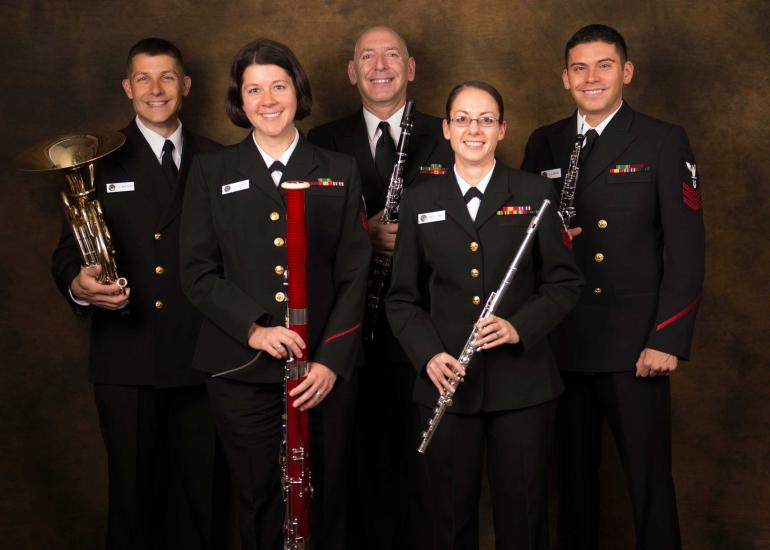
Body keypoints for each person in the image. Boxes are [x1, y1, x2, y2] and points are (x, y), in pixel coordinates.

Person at [179, 38, 371, 549]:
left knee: (326, 497)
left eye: (279, 86)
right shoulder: (211, 171)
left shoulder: (339, 169)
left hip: (322, 371)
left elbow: (356, 272)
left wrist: (331, 360)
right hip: (241, 369)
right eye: (254, 89)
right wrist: (255, 329)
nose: (268, 100)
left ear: (297, 91)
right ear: (239, 101)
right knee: (261, 497)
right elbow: (197, 271)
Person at [520, 24, 705, 550]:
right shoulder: (545, 142)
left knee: (648, 484)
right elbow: (524, 242)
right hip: (562, 343)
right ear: (564, 78)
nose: (592, 77)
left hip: (635, 347)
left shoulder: (662, 140)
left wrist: (668, 338)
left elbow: (687, 251)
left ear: (626, 72)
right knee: (572, 487)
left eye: (604, 65)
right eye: (580, 67)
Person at [387, 81, 582, 550]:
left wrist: (520, 326)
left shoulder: (535, 191)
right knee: (449, 519)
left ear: (502, 130)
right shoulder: (420, 200)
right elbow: (401, 299)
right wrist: (428, 355)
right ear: (448, 130)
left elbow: (564, 283)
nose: (474, 129)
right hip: (446, 385)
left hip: (524, 386)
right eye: (463, 119)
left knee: (524, 517)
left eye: (486, 119)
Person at [51, 38, 226, 550]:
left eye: (167, 77)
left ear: (186, 86)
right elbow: (68, 250)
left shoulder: (219, 159)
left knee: (201, 499)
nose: (156, 89)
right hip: (126, 356)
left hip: (202, 354)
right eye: (144, 79)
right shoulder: (97, 160)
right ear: (127, 88)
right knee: (132, 501)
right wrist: (79, 286)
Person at [307, 26, 452, 548]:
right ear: (351, 72)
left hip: (427, 333)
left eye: (392, 54)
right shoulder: (320, 141)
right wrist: (360, 234)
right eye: (367, 56)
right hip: (345, 337)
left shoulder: (452, 131)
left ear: (411, 68)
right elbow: (298, 238)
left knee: (425, 474)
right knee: (351, 471)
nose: (380, 65)